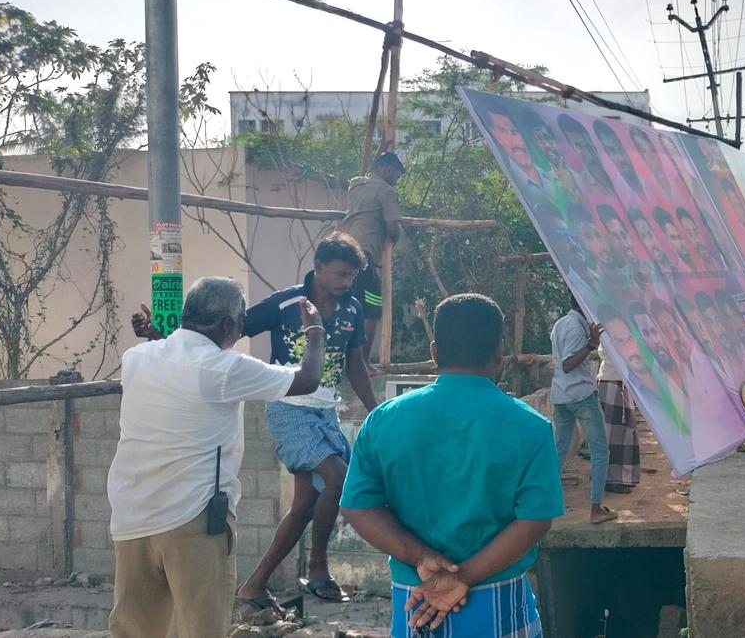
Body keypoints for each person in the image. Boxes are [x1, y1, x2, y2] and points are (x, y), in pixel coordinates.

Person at [110, 278, 324, 637]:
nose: (243, 327)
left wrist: (156, 338)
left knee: (134, 630)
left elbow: (178, 365)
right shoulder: (225, 368)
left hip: (132, 517)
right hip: (192, 521)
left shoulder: (136, 359)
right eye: (242, 320)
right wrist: (316, 332)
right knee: (203, 630)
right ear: (228, 324)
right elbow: (307, 379)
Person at [340, 294, 563, 637]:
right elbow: (535, 520)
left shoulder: (383, 421)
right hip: (500, 609)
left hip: (413, 609)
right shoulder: (531, 427)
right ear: (499, 352)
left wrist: (419, 556)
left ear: (434, 352)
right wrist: (464, 576)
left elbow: (359, 506)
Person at [237, 233, 380, 605]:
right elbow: (233, 329)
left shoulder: (352, 308)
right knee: (338, 478)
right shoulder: (285, 303)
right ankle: (319, 565)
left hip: (325, 412)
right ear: (317, 267)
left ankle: (255, 583)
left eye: (352, 277)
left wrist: (377, 412)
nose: (347, 283)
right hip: (289, 408)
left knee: (304, 505)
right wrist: (173, 341)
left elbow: (356, 366)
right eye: (341, 274)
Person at [551, 294, 617, 524]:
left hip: (561, 396)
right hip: (580, 395)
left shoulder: (561, 323)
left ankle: (548, 506)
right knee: (600, 451)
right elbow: (568, 364)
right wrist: (591, 344)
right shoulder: (576, 328)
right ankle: (596, 509)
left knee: (560, 451)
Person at [336, 151, 405, 371]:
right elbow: (393, 225)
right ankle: (362, 363)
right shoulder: (385, 190)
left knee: (346, 308)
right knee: (372, 310)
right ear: (386, 170)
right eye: (396, 176)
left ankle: (342, 360)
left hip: (340, 250)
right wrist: (393, 237)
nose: (395, 182)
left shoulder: (355, 185)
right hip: (363, 257)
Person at [597, 343, 640, 495]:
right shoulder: (608, 331)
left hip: (620, 381)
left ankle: (621, 477)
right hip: (613, 381)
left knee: (625, 432)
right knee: (614, 434)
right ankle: (612, 479)